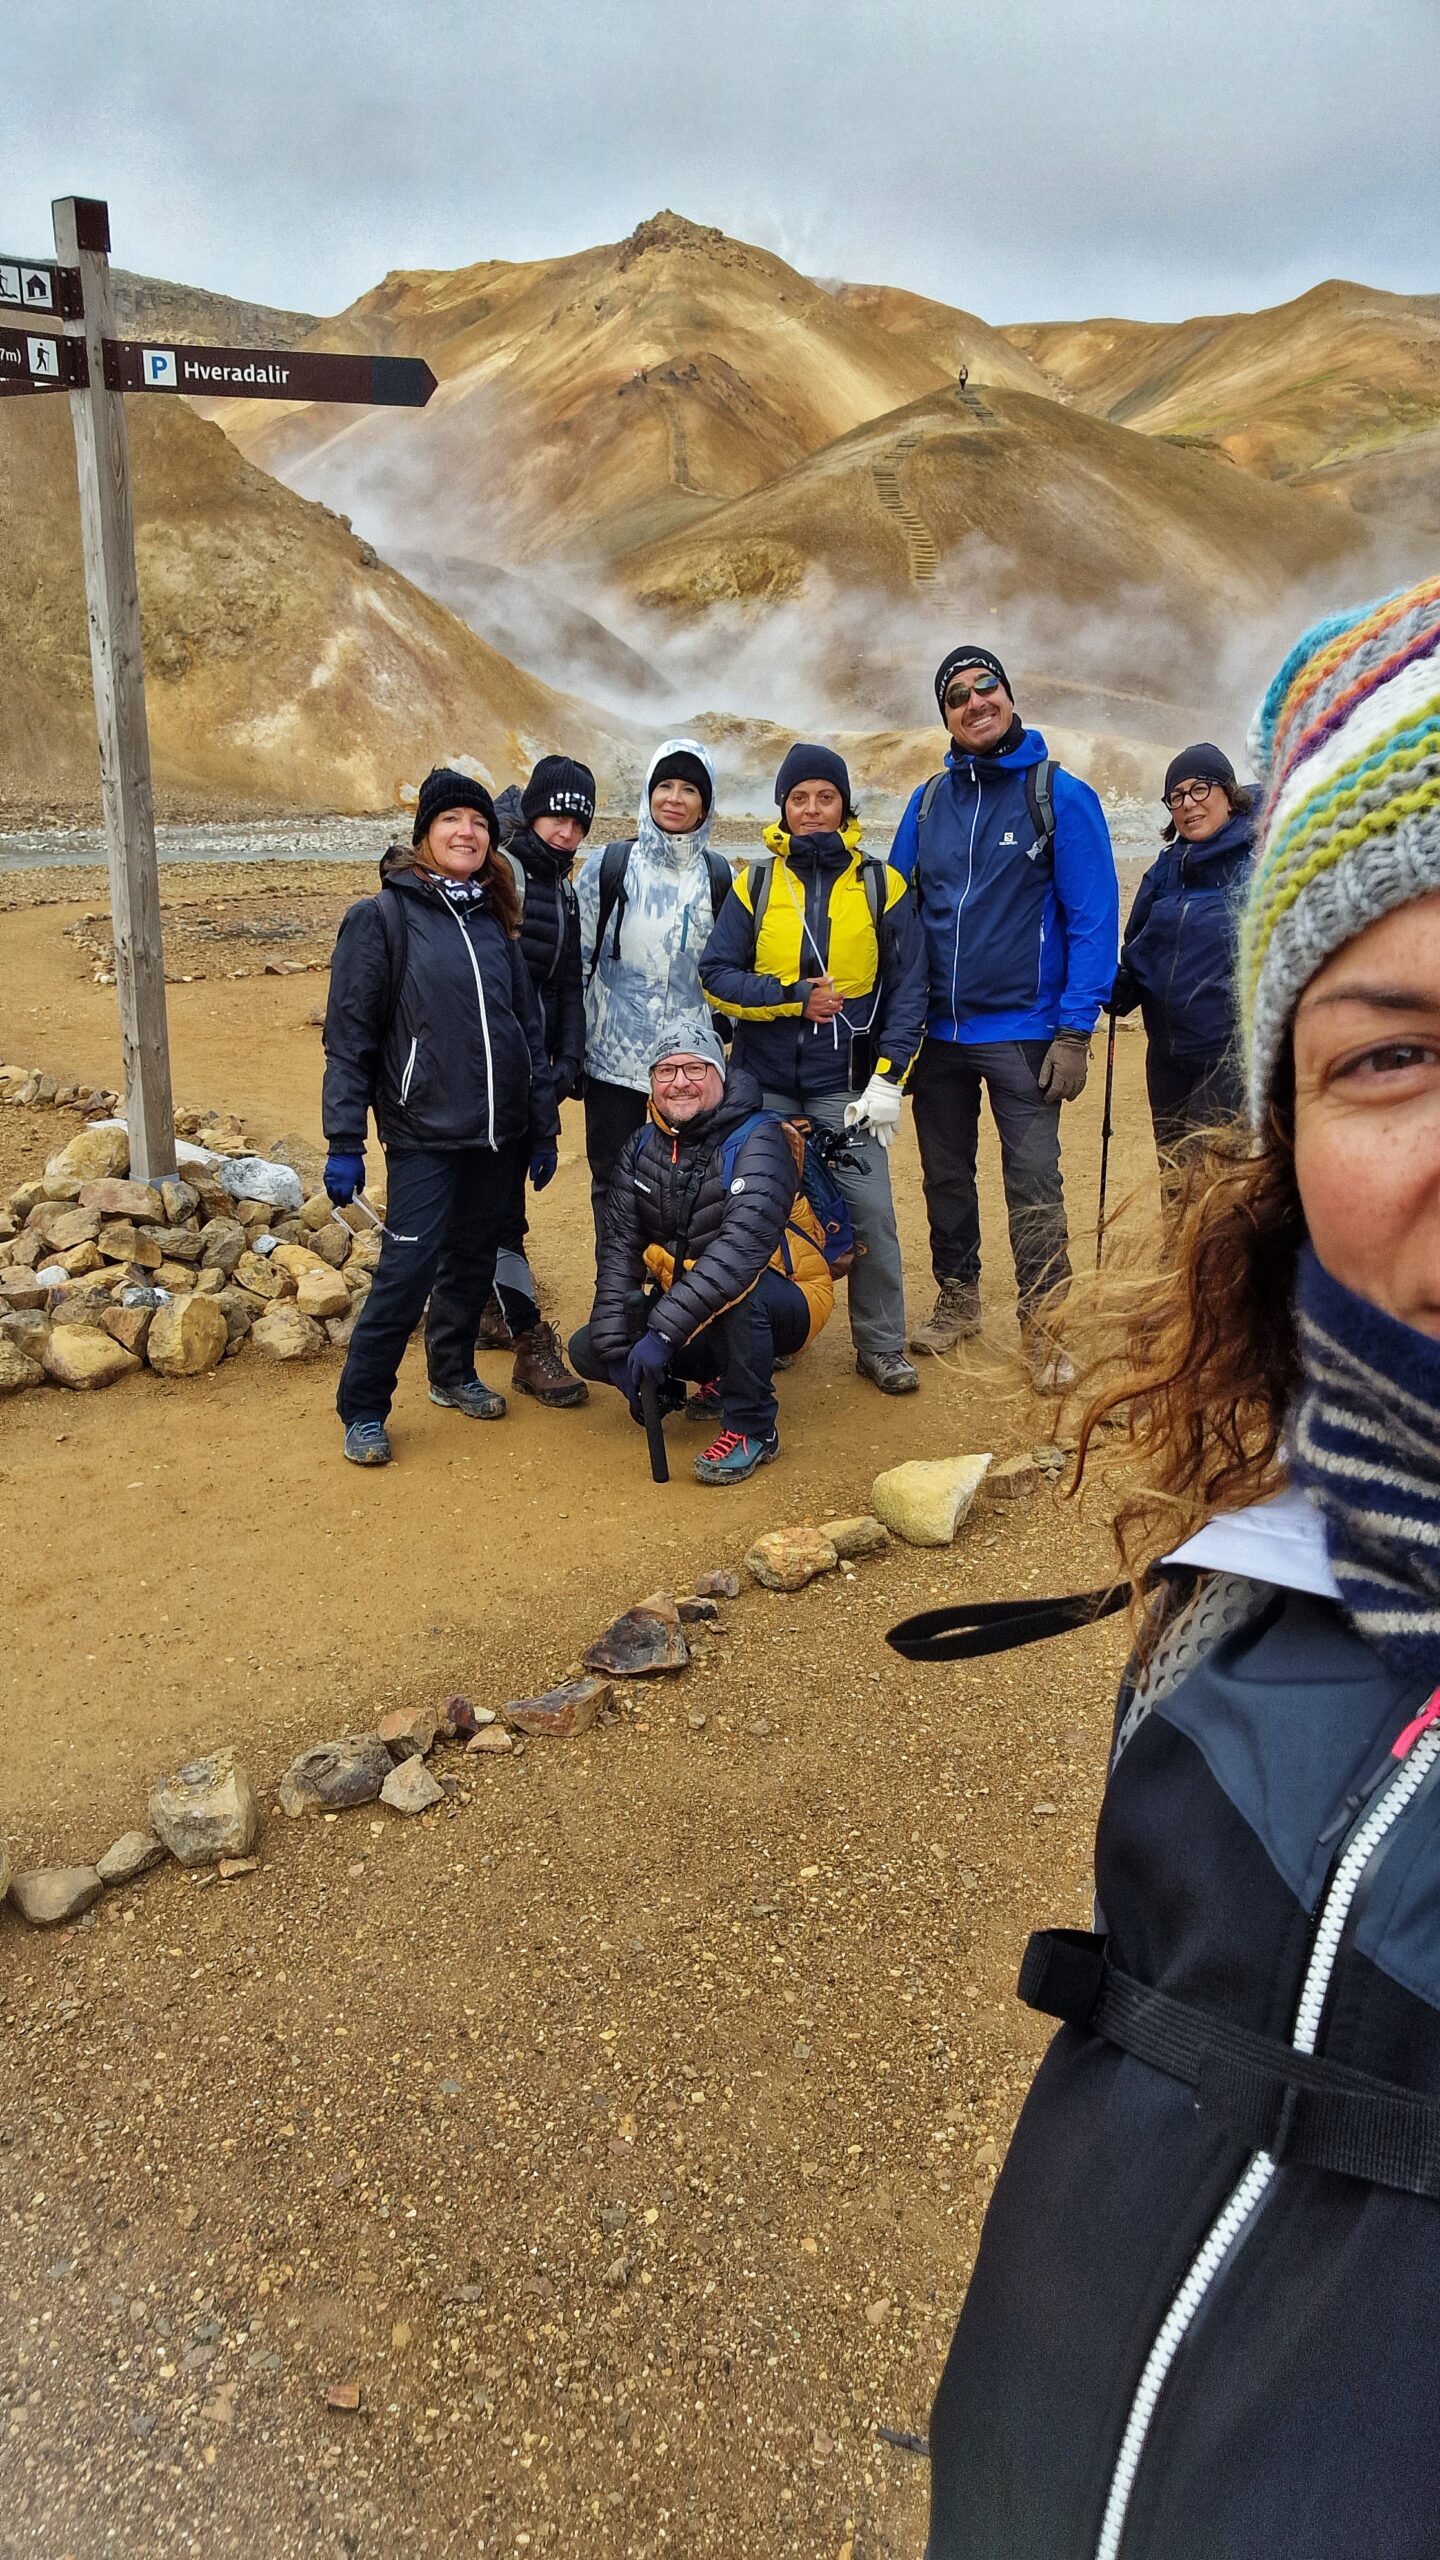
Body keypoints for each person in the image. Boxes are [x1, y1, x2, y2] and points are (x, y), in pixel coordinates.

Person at [903, 573, 1440, 2558]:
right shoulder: (1261, 1572)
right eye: (1387, 1055)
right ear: (1294, 1126)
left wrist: (1063, 1009)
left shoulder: (1047, 794)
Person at [888, 645, 1118, 1387]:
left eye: (987, 686)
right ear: (946, 716)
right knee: (945, 1176)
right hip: (938, 1035)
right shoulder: (927, 803)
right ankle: (959, 1299)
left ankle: (1047, 1329)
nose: (974, 701)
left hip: (1024, 1030)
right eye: (957, 695)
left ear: (1009, 696)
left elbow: (1092, 919)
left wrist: (1077, 1030)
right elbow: (895, 912)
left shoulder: (1060, 796)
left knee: (1034, 1182)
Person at [321, 766, 559, 1466]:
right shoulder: (382, 918)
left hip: (497, 1133)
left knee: (471, 1259)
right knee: (407, 1267)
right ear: (425, 832)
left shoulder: (495, 921)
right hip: (424, 1128)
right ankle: (363, 1405)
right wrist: (344, 1139)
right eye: (453, 820)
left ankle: (452, 1373)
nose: (468, 832)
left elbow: (525, 1033)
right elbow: (351, 1037)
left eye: (480, 824)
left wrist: (540, 1126)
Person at [700, 742, 927, 1394]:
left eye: (825, 796)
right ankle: (760, 1331)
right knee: (751, 1213)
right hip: (762, 1085)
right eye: (799, 798)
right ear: (783, 807)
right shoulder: (757, 883)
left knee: (871, 1214)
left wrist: (890, 1077)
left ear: (843, 805)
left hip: (846, 1088)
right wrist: (793, 998)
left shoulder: (882, 884)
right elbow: (716, 979)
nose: (812, 808)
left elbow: (912, 989)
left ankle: (881, 1345)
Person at [569, 1022, 834, 1484]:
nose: (680, 1082)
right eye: (666, 1070)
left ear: (720, 1074)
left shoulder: (760, 1138)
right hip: (694, 1300)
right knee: (590, 1348)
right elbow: (619, 1250)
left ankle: (753, 1427)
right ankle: (705, 1379)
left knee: (741, 1293)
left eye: (695, 1067)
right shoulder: (641, 1146)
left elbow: (739, 1254)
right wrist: (620, 1356)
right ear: (651, 1082)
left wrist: (662, 1338)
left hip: (784, 1294)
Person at [574, 740, 732, 1268]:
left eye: (690, 789)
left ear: (705, 806)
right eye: (665, 785)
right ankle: (617, 1297)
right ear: (648, 792)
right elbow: (576, 959)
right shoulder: (608, 867)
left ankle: (680, 1301)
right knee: (613, 1181)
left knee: (691, 1185)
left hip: (687, 1069)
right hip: (613, 1063)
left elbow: (730, 967)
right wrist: (571, 1046)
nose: (675, 798)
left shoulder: (720, 876)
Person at [472, 754, 596, 1407]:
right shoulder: (506, 875)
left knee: (498, 1205)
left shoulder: (563, 888)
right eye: (556, 814)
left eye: (579, 821)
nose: (566, 830)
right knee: (501, 1212)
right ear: (533, 812)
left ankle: (481, 1309)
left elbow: (566, 984)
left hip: (532, 1078)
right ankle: (526, 1341)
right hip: (490, 1076)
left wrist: (567, 1062)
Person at [1112, 741, 1257, 1166]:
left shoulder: (1257, 863)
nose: (1188, 804)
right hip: (1166, 1055)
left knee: (1213, 1181)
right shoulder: (1164, 869)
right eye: (1176, 796)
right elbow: (1140, 945)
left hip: (1227, 1054)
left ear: (1228, 794)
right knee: (1174, 1176)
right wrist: (1125, 985)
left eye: (1199, 789)